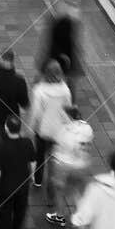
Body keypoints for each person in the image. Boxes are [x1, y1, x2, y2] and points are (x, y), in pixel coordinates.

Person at [0, 114, 36, 229]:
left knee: (3, 215)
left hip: (5, 188)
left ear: (6, 128)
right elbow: (33, 161)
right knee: (19, 212)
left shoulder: (0, 147)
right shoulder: (28, 142)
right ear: (19, 128)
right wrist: (32, 175)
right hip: (23, 186)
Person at [46, 105, 93, 226]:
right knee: (76, 191)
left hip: (64, 166)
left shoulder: (64, 130)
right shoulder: (87, 127)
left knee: (59, 191)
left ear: (69, 117)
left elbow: (57, 147)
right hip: (82, 165)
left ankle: (59, 216)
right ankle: (82, 219)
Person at [29, 59, 72, 189]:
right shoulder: (65, 90)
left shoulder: (39, 90)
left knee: (40, 156)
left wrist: (31, 127)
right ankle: (52, 182)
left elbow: (36, 112)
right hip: (58, 131)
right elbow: (67, 109)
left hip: (42, 130)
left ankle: (38, 180)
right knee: (54, 157)